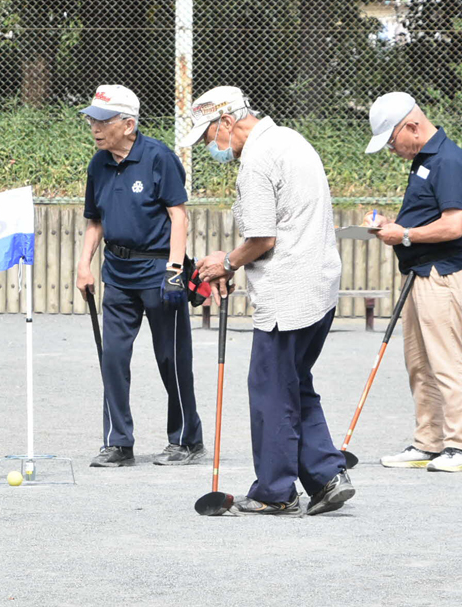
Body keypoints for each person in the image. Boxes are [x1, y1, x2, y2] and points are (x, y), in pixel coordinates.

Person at [192, 86, 354, 516]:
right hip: (319, 286)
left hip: (288, 296)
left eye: (208, 135)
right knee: (294, 383)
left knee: (269, 389)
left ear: (227, 122)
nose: (210, 146)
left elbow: (263, 237)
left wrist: (224, 262)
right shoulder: (291, 140)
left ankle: (275, 491)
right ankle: (327, 476)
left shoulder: (257, 160)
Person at [75, 84, 204, 469]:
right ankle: (118, 442)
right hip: (117, 272)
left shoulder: (158, 157)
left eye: (102, 120)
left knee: (171, 358)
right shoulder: (98, 163)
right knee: (112, 356)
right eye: (91, 119)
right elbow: (94, 220)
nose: (94, 127)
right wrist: (84, 264)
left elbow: (177, 214)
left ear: (128, 124)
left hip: (158, 270)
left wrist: (176, 269)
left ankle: (186, 439)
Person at [363, 92, 462, 473]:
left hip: (441, 276)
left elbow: (452, 225)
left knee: (446, 364)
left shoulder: (448, 161)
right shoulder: (426, 161)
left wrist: (405, 235)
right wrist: (391, 226)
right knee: (420, 365)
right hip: (419, 276)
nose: (394, 150)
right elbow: (427, 216)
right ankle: (428, 443)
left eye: (393, 142)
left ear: (412, 127)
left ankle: (459, 449)